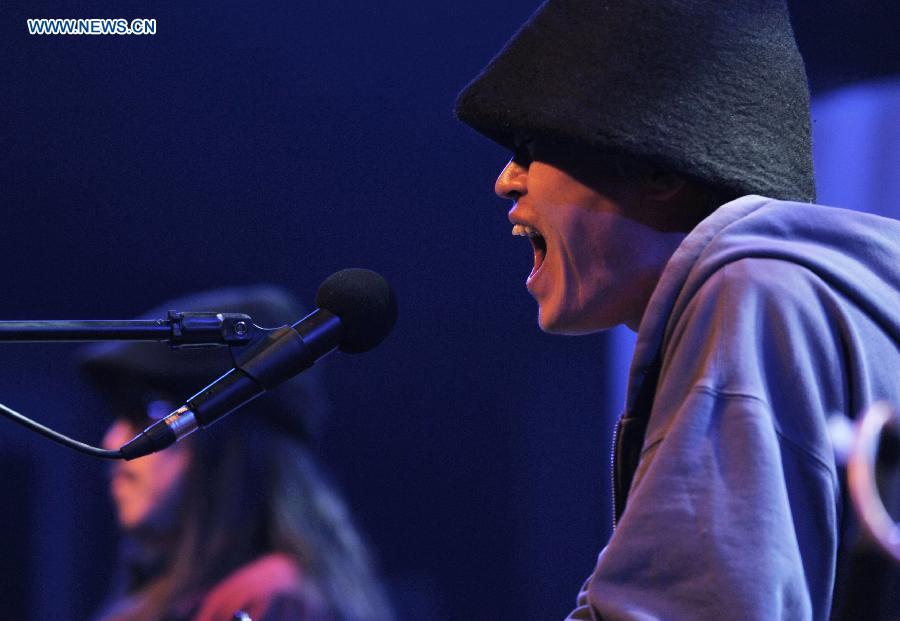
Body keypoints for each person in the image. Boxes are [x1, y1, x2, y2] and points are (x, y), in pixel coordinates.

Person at [454, 0, 900, 619]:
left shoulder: (752, 294)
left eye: (532, 148)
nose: (507, 179)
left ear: (659, 168)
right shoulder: (821, 300)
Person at [79, 286, 394, 621]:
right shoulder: (163, 594)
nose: (114, 439)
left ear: (230, 442)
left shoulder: (269, 596)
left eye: (144, 410)